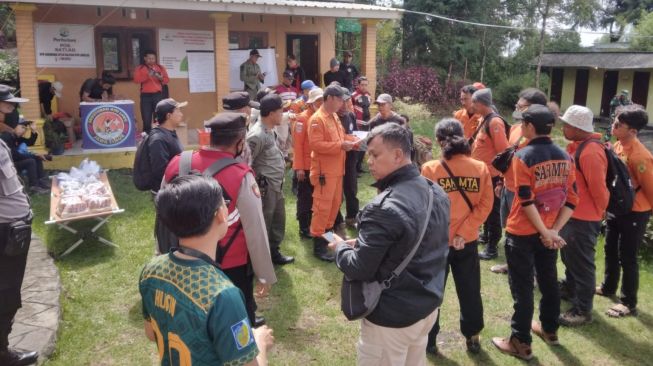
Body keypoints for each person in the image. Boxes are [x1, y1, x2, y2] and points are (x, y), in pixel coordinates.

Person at [329, 122, 449, 366]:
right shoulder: (436, 191)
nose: (368, 161)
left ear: (397, 155)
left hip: (392, 317)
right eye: (368, 155)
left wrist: (340, 248)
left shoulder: (382, 208)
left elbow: (359, 268)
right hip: (426, 306)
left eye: (374, 155)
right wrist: (368, 243)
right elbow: (419, 244)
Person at [140, 174, 274, 365]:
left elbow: (151, 333)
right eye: (225, 203)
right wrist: (260, 342)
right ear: (220, 214)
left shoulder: (151, 271)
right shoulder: (223, 296)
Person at [163, 112, 277, 328]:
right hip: (229, 263)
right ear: (241, 143)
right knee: (237, 321)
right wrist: (264, 275)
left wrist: (162, 251)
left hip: (180, 256)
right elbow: (256, 230)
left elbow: (163, 213)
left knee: (190, 317)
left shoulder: (177, 163)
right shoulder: (241, 175)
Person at [492, 104, 578, 361]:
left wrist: (545, 230)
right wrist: (552, 231)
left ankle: (520, 341)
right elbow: (572, 200)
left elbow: (526, 200)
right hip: (549, 230)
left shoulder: (524, 156)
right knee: (549, 281)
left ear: (529, 126)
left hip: (523, 231)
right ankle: (550, 330)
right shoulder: (565, 156)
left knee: (523, 287)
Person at [421, 118, 493, 355]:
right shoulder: (480, 168)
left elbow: (426, 207)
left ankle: (429, 340)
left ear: (439, 141)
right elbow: (485, 205)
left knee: (431, 292)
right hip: (467, 241)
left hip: (436, 243)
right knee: (470, 290)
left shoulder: (430, 169)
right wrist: (464, 231)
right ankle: (473, 337)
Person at [597, 106, 653, 318]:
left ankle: (628, 302)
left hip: (636, 212)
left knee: (628, 256)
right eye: (614, 121)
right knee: (610, 248)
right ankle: (608, 286)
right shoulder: (618, 145)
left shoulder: (641, 157)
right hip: (617, 209)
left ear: (633, 131)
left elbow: (650, 189)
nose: (613, 126)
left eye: (619, 124)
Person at [558, 105, 609, 326]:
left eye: (566, 125)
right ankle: (570, 289)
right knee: (569, 257)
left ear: (578, 128)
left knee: (581, 264)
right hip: (572, 214)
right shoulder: (580, 147)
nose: (562, 128)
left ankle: (582, 310)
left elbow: (600, 190)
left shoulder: (590, 152)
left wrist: (597, 214)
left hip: (584, 218)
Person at [0, 84, 39, 366]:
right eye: (9, 107)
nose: (14, 112)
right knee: (5, 293)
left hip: (12, 230)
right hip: (4, 232)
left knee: (9, 293)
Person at [491, 88, 548, 274]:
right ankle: (511, 264)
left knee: (527, 232)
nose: (517, 108)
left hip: (524, 192)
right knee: (509, 228)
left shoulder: (541, 137)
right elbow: (509, 158)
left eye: (521, 106)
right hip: (508, 187)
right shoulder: (516, 128)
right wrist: (500, 181)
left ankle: (529, 272)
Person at [308, 85, 359, 262]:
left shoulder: (334, 116)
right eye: (340, 99)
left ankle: (328, 239)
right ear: (329, 98)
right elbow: (316, 145)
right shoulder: (318, 119)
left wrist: (355, 141)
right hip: (324, 173)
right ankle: (318, 245)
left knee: (334, 205)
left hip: (337, 171)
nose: (343, 103)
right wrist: (340, 146)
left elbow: (341, 137)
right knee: (322, 208)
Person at [247, 94, 294, 265]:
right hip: (265, 188)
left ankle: (273, 252)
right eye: (281, 111)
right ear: (271, 113)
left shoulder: (269, 130)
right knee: (264, 224)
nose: (283, 114)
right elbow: (246, 164)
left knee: (277, 221)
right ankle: (259, 260)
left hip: (275, 185)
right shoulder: (256, 135)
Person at [469, 88, 509, 261]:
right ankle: (486, 237)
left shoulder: (494, 123)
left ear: (480, 103)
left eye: (473, 102)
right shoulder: (483, 120)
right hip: (483, 175)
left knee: (493, 212)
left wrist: (501, 178)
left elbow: (504, 152)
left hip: (493, 176)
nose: (472, 105)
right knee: (484, 208)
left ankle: (492, 248)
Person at [291, 88, 323, 239]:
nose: (321, 103)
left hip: (318, 165)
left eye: (322, 100)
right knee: (305, 197)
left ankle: (311, 224)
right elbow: (297, 145)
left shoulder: (321, 116)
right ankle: (303, 227)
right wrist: (299, 168)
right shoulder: (302, 119)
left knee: (316, 197)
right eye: (318, 100)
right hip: (305, 166)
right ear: (312, 102)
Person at [0, 120, 51, 194]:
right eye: (22, 127)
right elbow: (13, 154)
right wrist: (32, 155)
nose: (23, 131)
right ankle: (34, 187)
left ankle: (42, 181)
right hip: (6, 165)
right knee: (31, 161)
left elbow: (30, 142)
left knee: (36, 158)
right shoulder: (6, 136)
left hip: (13, 161)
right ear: (15, 126)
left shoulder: (16, 137)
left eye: (25, 129)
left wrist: (33, 131)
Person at [337, 89, 360, 228]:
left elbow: (355, 134)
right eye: (342, 101)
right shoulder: (332, 117)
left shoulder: (351, 115)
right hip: (337, 160)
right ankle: (337, 220)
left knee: (351, 189)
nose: (345, 104)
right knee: (337, 192)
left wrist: (358, 142)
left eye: (347, 101)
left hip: (350, 159)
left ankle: (352, 218)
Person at [133, 50, 170, 134]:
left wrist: (160, 78)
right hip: (145, 96)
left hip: (158, 95)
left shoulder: (160, 68)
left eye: (153, 58)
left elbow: (166, 80)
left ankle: (158, 136)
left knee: (158, 118)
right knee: (146, 118)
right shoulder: (140, 68)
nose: (151, 60)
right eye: (149, 58)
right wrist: (147, 75)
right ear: (145, 58)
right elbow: (136, 80)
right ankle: (146, 137)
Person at [222, 91, 260, 165]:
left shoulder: (222, 125)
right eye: (249, 107)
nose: (250, 110)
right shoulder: (237, 131)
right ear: (243, 110)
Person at [351, 76, 371, 173]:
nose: (364, 87)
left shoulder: (368, 95)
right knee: (357, 146)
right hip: (357, 124)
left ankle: (359, 167)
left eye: (366, 85)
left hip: (366, 123)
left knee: (364, 146)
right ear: (358, 85)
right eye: (362, 85)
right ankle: (354, 168)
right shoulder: (353, 96)